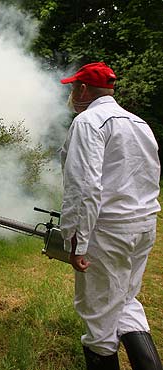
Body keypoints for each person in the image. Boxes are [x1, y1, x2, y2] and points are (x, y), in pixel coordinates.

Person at [59, 61, 162, 370]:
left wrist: (77, 243)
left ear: (83, 89)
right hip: (143, 225)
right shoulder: (138, 123)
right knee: (126, 301)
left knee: (99, 317)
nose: (72, 94)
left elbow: (85, 186)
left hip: (108, 232)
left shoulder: (88, 121)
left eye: (74, 88)